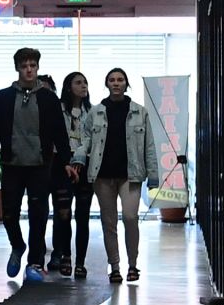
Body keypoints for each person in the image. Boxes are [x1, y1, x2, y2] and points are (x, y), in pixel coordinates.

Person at [68, 67, 161, 284]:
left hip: (131, 174)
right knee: (108, 222)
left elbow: (149, 145)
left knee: (130, 218)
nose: (116, 83)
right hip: (102, 175)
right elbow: (86, 140)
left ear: (126, 84)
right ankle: (115, 267)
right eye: (112, 80)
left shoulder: (140, 111)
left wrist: (154, 175)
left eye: (120, 80)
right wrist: (79, 157)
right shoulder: (96, 112)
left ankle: (133, 265)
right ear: (107, 84)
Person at [0, 47, 69, 281]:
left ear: (38, 67)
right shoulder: (3, 97)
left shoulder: (48, 98)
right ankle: (17, 245)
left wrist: (66, 161)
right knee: (9, 213)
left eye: (33, 65)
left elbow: (59, 133)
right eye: (24, 66)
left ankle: (35, 261)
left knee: (38, 214)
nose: (29, 70)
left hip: (40, 164)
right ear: (17, 69)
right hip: (12, 163)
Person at [51, 72, 96, 279]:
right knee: (63, 213)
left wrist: (81, 159)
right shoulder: (57, 109)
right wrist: (66, 161)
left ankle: (81, 262)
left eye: (85, 82)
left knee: (83, 216)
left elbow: (93, 140)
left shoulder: (93, 111)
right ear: (68, 87)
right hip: (62, 164)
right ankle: (65, 255)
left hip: (85, 164)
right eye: (78, 83)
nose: (83, 86)